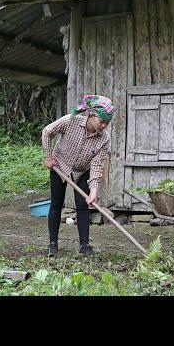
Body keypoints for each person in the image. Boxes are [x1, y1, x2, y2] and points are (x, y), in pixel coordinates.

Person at [41, 94, 114, 256]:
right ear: (91, 115)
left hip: (83, 170)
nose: (104, 125)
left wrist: (93, 190)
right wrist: (48, 157)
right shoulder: (70, 121)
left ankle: (84, 245)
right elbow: (47, 132)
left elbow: (96, 164)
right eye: (102, 121)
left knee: (83, 206)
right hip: (60, 166)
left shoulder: (104, 138)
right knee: (56, 203)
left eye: (107, 122)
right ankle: (52, 243)